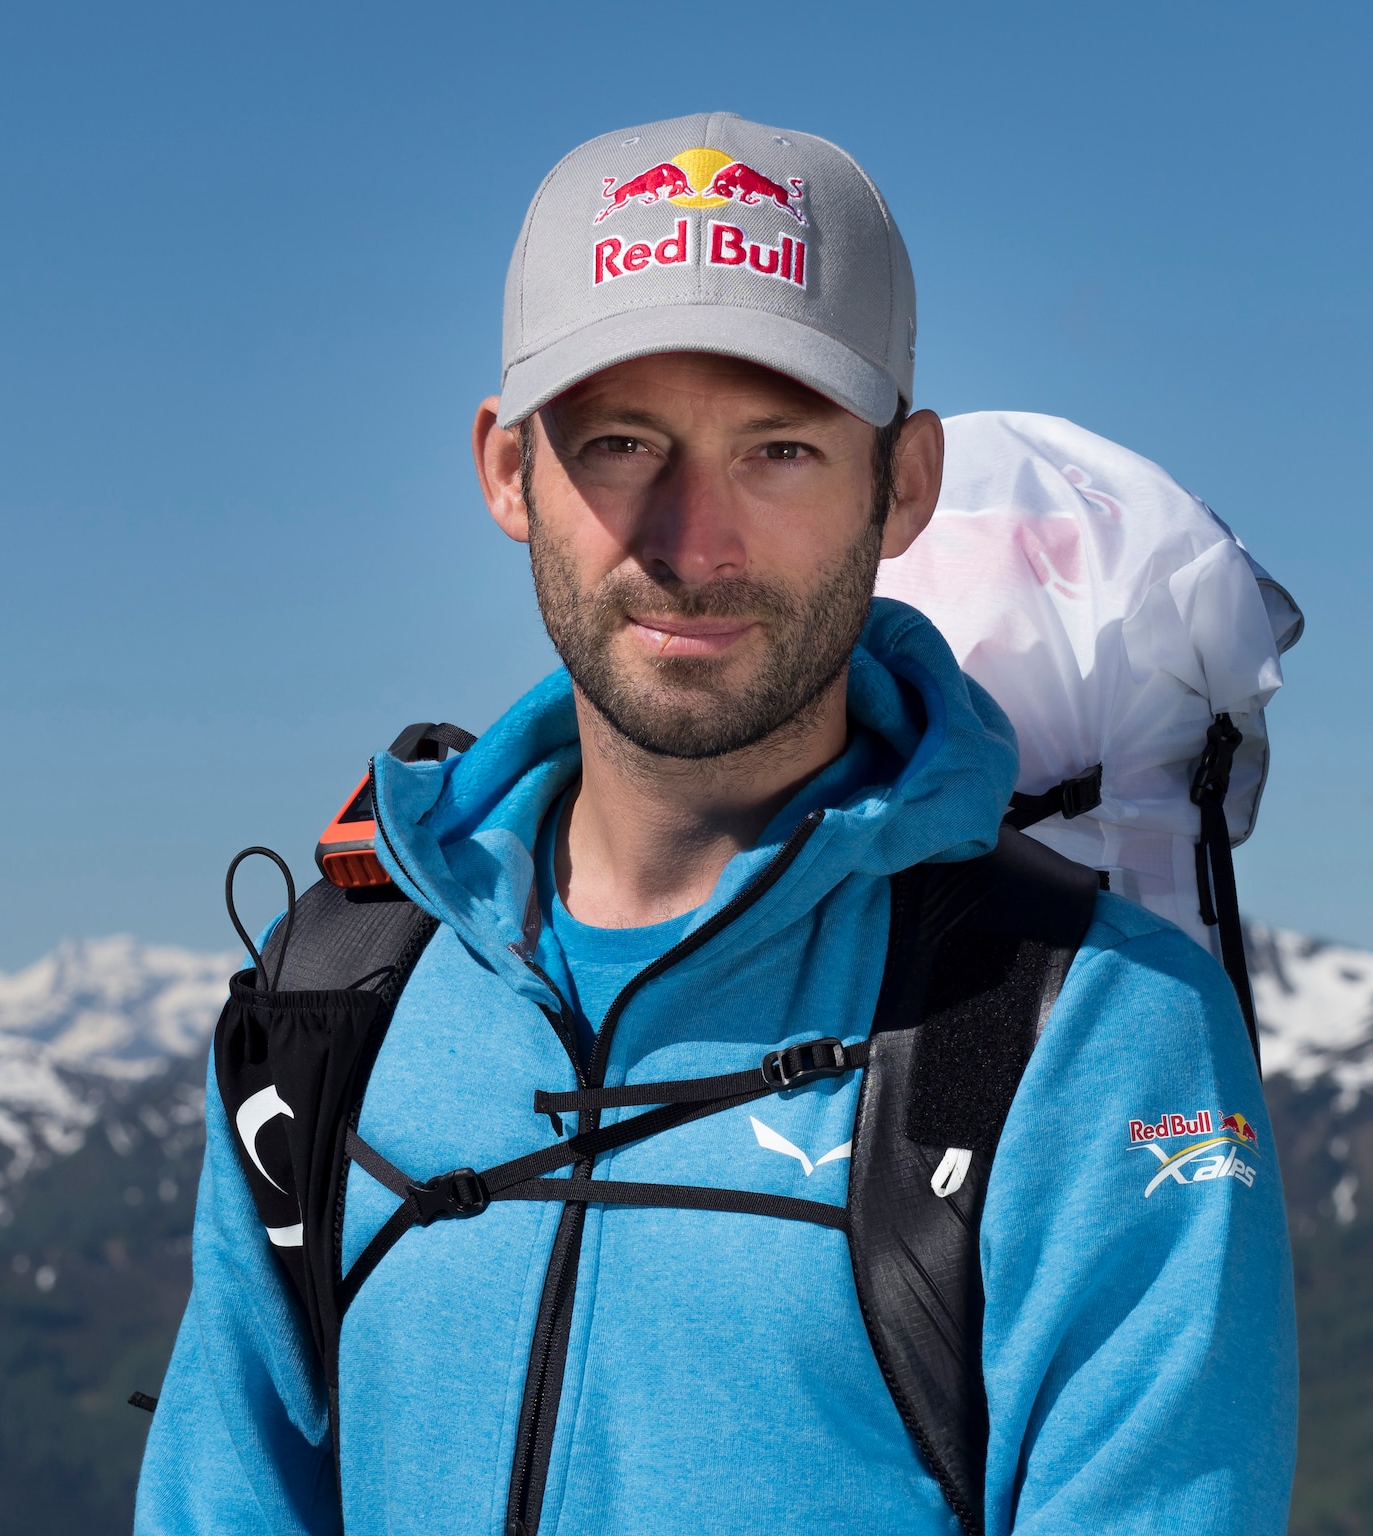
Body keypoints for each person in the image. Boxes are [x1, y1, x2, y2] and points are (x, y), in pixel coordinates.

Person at [136, 112, 1296, 1536]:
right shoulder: (335, 995)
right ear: (509, 472)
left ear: (904, 484)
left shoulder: (1085, 1031)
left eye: (780, 452)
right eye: (622, 443)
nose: (694, 542)